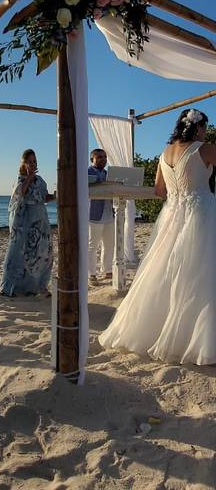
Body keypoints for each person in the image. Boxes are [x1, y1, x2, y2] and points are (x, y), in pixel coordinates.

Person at [100, 108, 216, 365]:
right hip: (202, 213)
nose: (205, 132)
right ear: (198, 128)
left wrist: (180, 193)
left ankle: (155, 329)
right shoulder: (205, 148)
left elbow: (159, 191)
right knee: (201, 274)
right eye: (205, 128)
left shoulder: (165, 153)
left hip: (172, 216)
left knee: (165, 271)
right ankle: (197, 339)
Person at [0, 149, 55, 297]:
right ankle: (13, 288)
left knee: (44, 253)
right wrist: (29, 178)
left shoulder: (41, 180)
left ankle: (40, 286)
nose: (33, 164)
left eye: (35, 161)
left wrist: (54, 196)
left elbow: (43, 197)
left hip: (40, 220)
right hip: (25, 222)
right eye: (29, 161)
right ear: (24, 164)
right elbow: (20, 194)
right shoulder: (20, 179)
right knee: (22, 254)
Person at [87, 148, 115, 286]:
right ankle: (91, 274)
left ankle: (107, 270)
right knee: (92, 246)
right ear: (92, 159)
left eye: (104, 157)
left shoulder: (108, 174)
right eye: (99, 157)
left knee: (109, 245)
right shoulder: (87, 172)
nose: (103, 159)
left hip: (109, 213)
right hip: (94, 214)